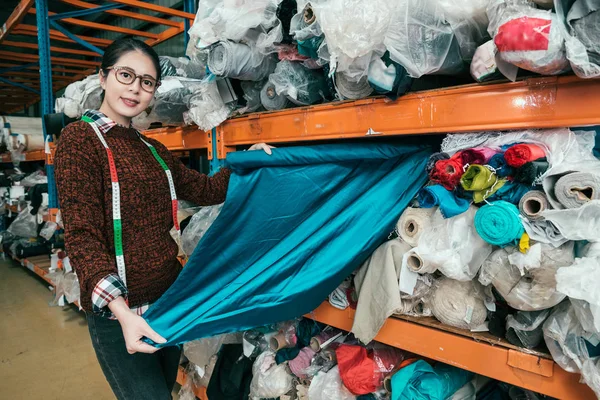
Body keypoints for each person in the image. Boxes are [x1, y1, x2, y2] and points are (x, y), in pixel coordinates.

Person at [55, 37, 272, 399]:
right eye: (126, 75)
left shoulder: (153, 149)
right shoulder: (79, 140)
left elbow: (206, 190)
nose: (135, 89)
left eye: (147, 82)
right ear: (103, 77)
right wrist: (121, 313)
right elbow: (82, 236)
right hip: (121, 314)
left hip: (169, 304)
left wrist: (245, 161)